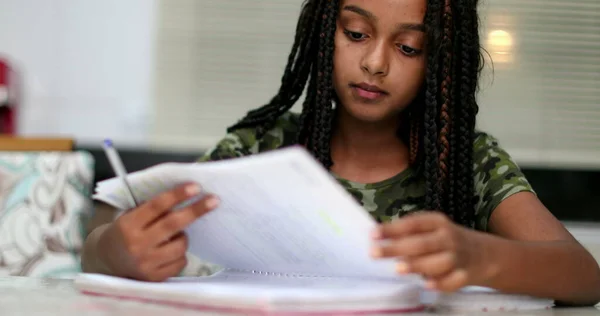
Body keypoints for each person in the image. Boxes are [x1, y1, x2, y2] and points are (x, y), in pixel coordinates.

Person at [81, 0, 600, 306]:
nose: (374, 62)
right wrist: (115, 251)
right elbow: (108, 230)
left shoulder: (466, 161)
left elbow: (583, 277)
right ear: (323, 33)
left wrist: (476, 255)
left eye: (407, 47)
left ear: (438, 61)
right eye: (356, 33)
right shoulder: (260, 146)